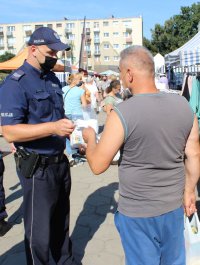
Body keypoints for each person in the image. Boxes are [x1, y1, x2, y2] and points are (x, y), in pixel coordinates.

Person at [82, 46, 200, 265]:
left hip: (138, 212)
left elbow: (98, 165)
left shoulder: (122, 113)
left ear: (129, 74)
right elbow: (194, 153)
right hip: (173, 206)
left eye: (120, 72)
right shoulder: (183, 105)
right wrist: (189, 190)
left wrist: (90, 140)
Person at [0, 27, 80, 265]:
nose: (55, 56)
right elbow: (9, 131)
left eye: (57, 52)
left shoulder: (52, 79)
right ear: (33, 50)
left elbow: (58, 117)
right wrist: (53, 128)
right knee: (40, 234)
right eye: (51, 52)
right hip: (38, 168)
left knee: (60, 224)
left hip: (60, 163)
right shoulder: (16, 84)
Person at [62, 73, 87, 166]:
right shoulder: (80, 90)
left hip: (66, 113)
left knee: (67, 135)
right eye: (79, 79)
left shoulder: (63, 89)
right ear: (76, 81)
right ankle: (76, 155)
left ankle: (70, 155)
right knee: (77, 135)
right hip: (78, 114)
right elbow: (84, 105)